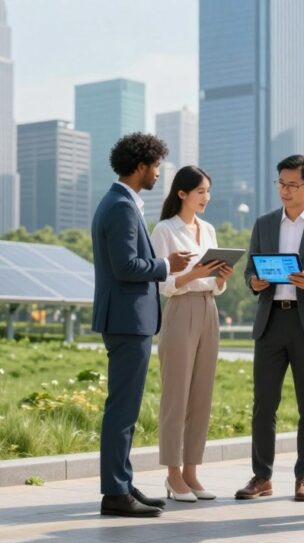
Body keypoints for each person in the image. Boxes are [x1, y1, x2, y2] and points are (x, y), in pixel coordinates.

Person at [91, 132, 192, 518]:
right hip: (126, 321)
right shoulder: (119, 206)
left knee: (126, 407)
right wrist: (169, 266)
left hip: (128, 319)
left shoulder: (122, 202)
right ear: (140, 166)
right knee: (122, 409)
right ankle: (115, 493)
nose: (158, 175)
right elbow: (126, 266)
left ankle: (122, 483)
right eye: (155, 167)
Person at [235, 155, 304, 503]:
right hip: (270, 321)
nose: (284, 190)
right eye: (280, 183)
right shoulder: (264, 223)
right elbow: (248, 272)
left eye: (292, 185)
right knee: (263, 406)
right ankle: (261, 477)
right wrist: (255, 282)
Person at [150, 165, 234, 502]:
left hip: (209, 309)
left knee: (202, 394)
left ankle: (192, 472)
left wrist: (221, 277)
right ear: (182, 193)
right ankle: (172, 475)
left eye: (208, 191)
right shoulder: (164, 230)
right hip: (181, 309)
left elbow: (214, 284)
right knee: (176, 396)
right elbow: (163, 283)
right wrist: (194, 273)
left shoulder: (209, 229)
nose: (206, 198)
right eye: (200, 191)